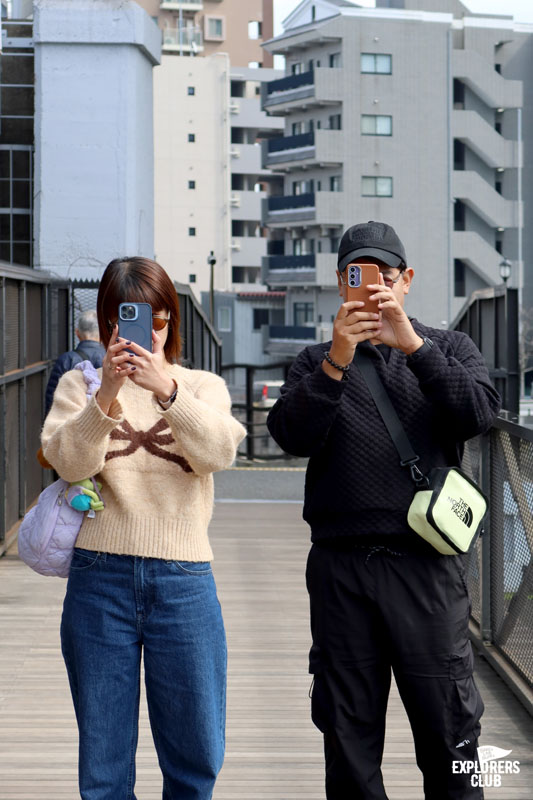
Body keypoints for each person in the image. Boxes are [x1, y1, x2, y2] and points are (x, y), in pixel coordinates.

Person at [267, 221, 501, 800]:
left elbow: (476, 415)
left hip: (427, 568)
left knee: (452, 734)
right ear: (339, 282)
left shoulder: (448, 348)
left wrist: (412, 345)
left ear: (407, 280)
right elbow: (292, 435)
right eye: (359, 278)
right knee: (348, 740)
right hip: (341, 568)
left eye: (386, 278)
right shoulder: (315, 359)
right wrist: (337, 362)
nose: (374, 291)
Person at [41, 256, 246, 800]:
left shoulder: (202, 386)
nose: (145, 331)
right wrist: (105, 394)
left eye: (157, 319)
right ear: (108, 322)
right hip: (99, 577)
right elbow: (69, 462)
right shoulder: (78, 385)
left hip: (184, 579)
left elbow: (218, 451)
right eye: (127, 318)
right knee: (104, 763)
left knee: (196, 751)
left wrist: (168, 392)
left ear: (171, 321)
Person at [45, 309, 106, 416]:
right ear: (103, 333)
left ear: (77, 333)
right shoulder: (112, 359)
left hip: (72, 420)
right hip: (104, 419)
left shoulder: (66, 359)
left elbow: (52, 399)